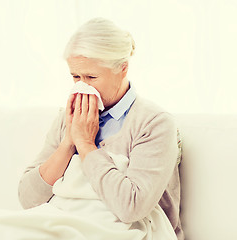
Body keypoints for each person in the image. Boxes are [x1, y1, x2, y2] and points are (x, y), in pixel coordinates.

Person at [18, 18, 184, 240]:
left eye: (91, 77)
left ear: (123, 69)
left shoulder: (154, 122)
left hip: (124, 231)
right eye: (75, 76)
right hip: (64, 225)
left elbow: (131, 208)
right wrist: (69, 142)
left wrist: (86, 144)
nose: (82, 86)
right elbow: (28, 199)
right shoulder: (68, 117)